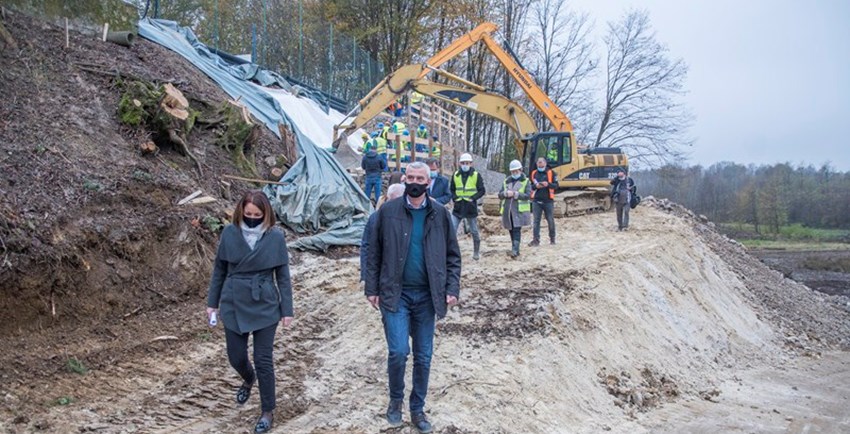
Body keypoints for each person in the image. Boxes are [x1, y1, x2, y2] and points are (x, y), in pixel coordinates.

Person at [365, 161, 461, 434]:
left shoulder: (440, 214)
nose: (416, 181)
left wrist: (451, 288)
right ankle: (395, 400)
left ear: (429, 183)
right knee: (398, 352)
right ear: (404, 179)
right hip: (396, 293)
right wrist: (371, 288)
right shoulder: (388, 212)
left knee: (424, 355)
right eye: (411, 177)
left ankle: (417, 408)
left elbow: (453, 256)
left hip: (428, 296)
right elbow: (374, 252)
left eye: (422, 178)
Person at [206, 191, 293, 434]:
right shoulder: (229, 233)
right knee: (235, 356)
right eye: (248, 214)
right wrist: (212, 303)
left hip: (265, 300)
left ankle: (267, 410)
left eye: (257, 215)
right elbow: (219, 271)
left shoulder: (275, 237)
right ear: (240, 212)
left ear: (266, 214)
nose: (252, 218)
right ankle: (248, 377)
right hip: (234, 299)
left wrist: (287, 309)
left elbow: (283, 277)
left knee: (263, 359)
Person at [360, 184, 405, 282]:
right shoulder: (376, 218)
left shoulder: (412, 217)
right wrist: (365, 274)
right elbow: (367, 247)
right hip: (385, 273)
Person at [450, 153, 485, 260]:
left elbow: (482, 190)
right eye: (463, 163)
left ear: (471, 163)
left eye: (467, 163)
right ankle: (451, 252)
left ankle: (476, 252)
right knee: (452, 230)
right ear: (460, 164)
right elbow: (452, 189)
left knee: (474, 231)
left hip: (470, 207)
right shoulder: (455, 175)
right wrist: (455, 197)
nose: (465, 165)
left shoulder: (476, 175)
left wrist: (473, 198)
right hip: (458, 207)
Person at [498, 160, 531, 258]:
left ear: (520, 170)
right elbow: (500, 195)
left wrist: (516, 194)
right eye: (513, 172)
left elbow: (528, 195)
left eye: (516, 171)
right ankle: (514, 247)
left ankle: (515, 250)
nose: (514, 173)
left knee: (517, 229)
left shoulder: (525, 181)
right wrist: (505, 194)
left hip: (519, 210)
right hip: (508, 211)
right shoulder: (506, 182)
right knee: (511, 229)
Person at [529, 157, 559, 246]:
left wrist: (548, 184)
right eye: (538, 162)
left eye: (541, 162)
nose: (539, 164)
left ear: (545, 163)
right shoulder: (534, 173)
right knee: (536, 221)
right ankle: (536, 240)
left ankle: (552, 239)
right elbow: (531, 186)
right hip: (536, 200)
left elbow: (556, 185)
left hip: (548, 201)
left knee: (550, 220)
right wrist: (536, 186)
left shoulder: (551, 173)